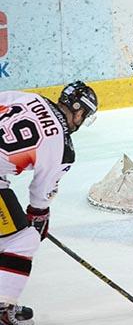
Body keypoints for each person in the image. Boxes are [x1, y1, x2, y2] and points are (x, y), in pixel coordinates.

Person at [0, 81, 98, 324]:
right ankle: (2, 309)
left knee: (7, 234)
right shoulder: (62, 146)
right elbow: (41, 192)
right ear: (78, 111)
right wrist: (38, 216)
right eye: (84, 115)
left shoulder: (31, 98)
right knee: (24, 240)